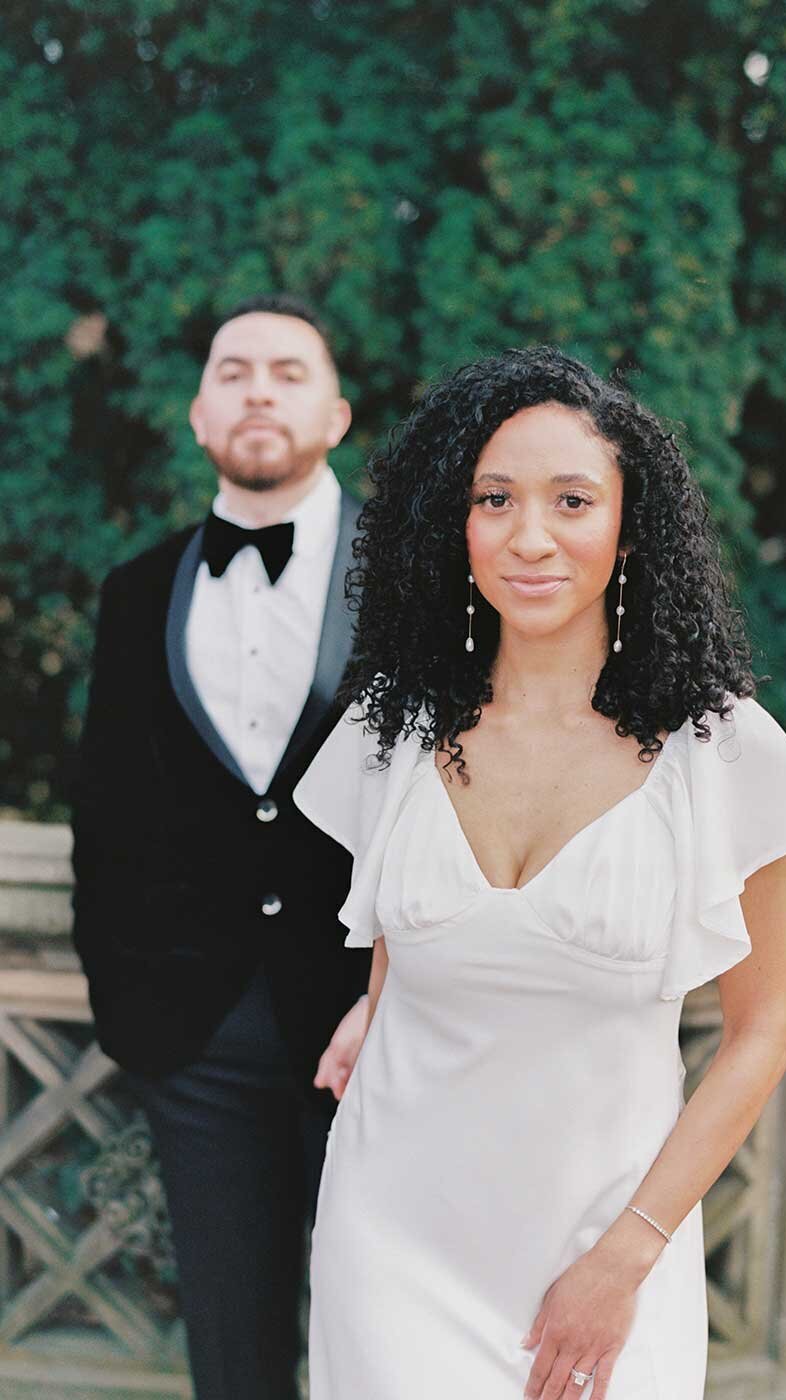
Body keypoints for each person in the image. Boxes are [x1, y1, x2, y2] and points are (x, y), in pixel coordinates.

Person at [293, 345, 786, 1399]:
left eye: (571, 500)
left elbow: (761, 1030)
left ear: (629, 526)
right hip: (390, 1225)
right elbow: (402, 934)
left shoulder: (724, 752)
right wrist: (383, 1006)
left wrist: (624, 1255)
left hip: (604, 1238)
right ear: (453, 525)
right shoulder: (388, 731)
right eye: (492, 498)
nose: (529, 536)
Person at [71, 294, 371, 1400]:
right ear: (198, 414)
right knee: (232, 1359)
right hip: (195, 1037)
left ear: (335, 414)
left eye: (288, 371)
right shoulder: (134, 589)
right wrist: (131, 1007)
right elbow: (102, 809)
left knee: (386, 1341)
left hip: (377, 1025)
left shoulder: (419, 582)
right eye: (233, 370)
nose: (258, 389)